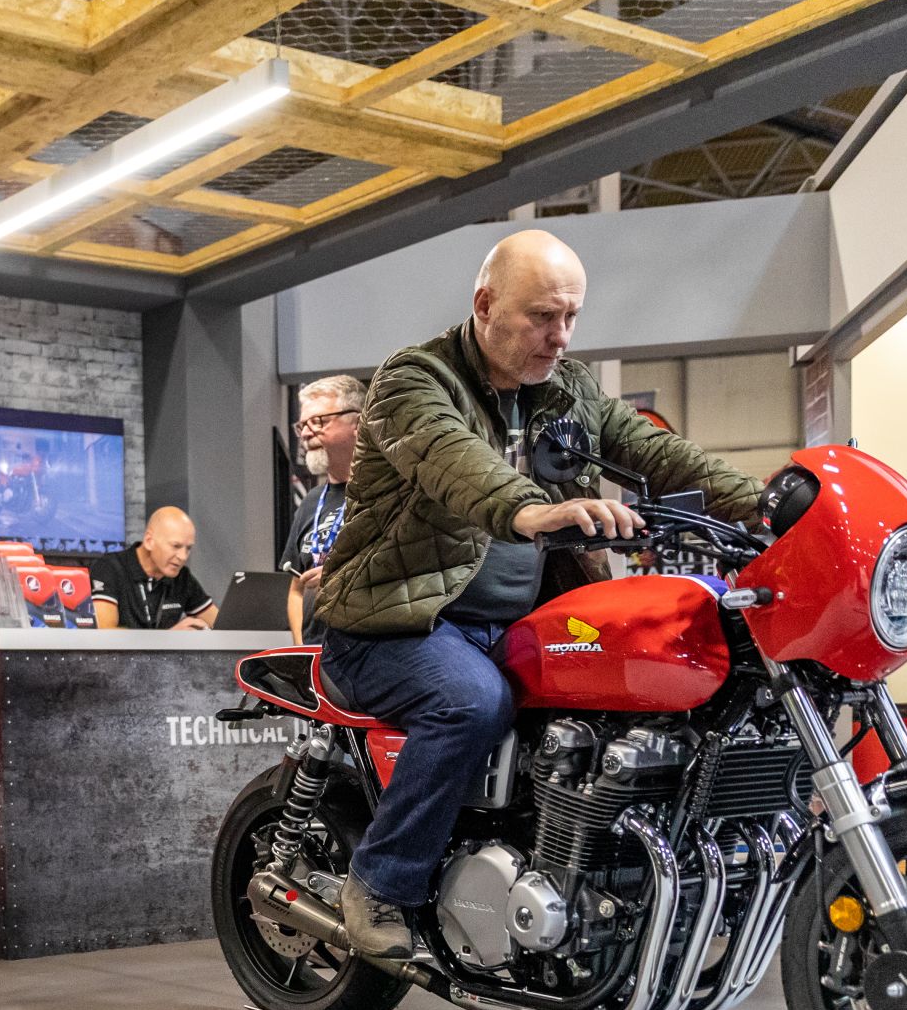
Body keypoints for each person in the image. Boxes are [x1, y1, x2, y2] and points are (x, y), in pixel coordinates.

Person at [310, 228, 761, 963]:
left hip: (519, 623)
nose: (560, 336)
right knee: (472, 701)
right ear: (485, 304)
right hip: (397, 623)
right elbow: (451, 461)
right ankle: (381, 882)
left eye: (572, 317)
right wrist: (530, 508)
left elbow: (657, 452)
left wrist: (768, 506)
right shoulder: (412, 381)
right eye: (542, 317)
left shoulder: (569, 390)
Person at [281, 373, 365, 643]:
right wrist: (301, 649)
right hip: (316, 658)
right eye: (302, 425)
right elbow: (297, 589)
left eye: (318, 421)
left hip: (366, 656)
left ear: (359, 423)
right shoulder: (311, 501)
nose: (306, 434)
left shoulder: (388, 492)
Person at [91, 506, 218, 630]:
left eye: (188, 548)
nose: (183, 556)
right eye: (176, 546)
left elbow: (222, 625)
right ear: (149, 541)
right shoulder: (109, 568)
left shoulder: (182, 576)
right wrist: (172, 639)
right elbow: (106, 633)